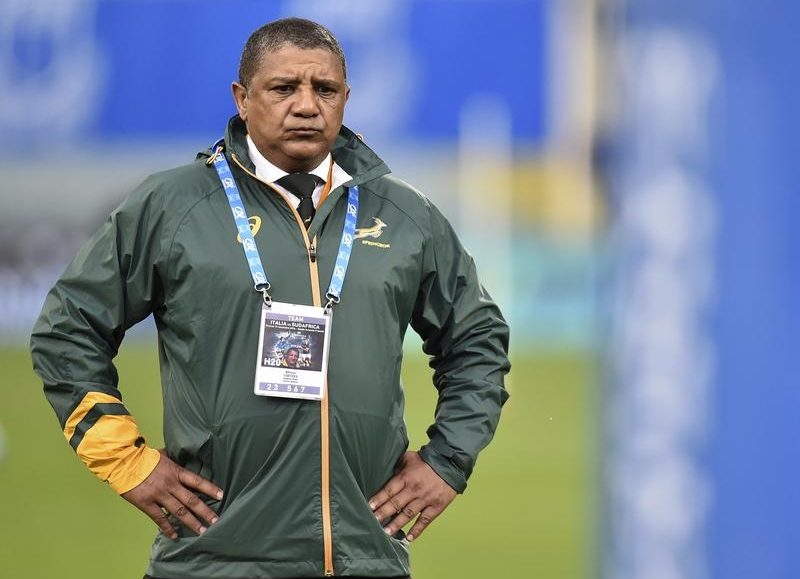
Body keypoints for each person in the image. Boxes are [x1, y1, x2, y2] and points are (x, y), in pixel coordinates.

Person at [30, 17, 510, 579]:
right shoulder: (172, 206)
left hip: (364, 560)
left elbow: (477, 340)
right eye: (284, 88)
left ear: (346, 98)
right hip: (210, 561)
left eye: (325, 89)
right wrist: (127, 463)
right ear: (242, 98)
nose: (306, 106)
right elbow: (67, 331)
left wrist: (447, 461)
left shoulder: (405, 215)